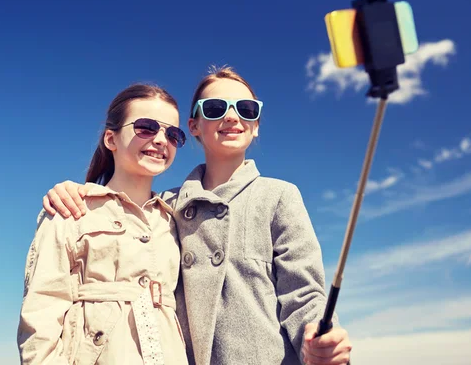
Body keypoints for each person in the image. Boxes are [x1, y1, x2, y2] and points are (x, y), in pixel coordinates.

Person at [42, 66, 352, 365]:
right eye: (216, 107)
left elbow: (303, 292)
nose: (232, 116)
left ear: (256, 124)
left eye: (246, 108)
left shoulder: (279, 196)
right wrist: (77, 191)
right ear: (193, 127)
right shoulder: (163, 207)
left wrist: (317, 337)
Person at [17, 84, 190, 365]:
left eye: (173, 134)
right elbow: (41, 312)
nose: (161, 140)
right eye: (146, 127)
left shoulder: (176, 220)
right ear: (111, 138)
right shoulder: (71, 209)